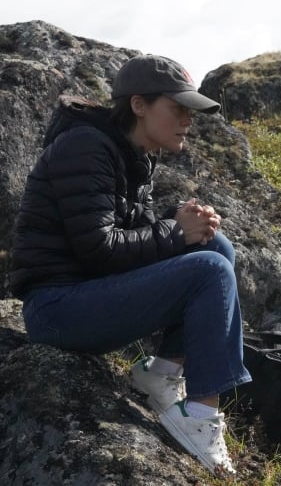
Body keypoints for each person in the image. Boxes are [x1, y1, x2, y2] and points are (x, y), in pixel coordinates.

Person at [10, 54, 251, 475]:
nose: (187, 121)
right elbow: (99, 249)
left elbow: (128, 234)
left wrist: (184, 222)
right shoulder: (85, 146)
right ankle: (199, 416)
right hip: (57, 310)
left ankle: (161, 374)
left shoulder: (131, 152)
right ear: (138, 105)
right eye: (177, 109)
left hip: (86, 296)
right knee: (209, 270)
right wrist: (175, 231)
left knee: (218, 250)